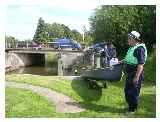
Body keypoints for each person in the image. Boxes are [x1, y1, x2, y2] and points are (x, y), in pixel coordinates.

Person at [120, 31, 147, 112]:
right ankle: (130, 106)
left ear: (135, 39)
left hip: (135, 73)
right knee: (127, 90)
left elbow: (140, 64)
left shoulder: (140, 49)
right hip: (129, 74)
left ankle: (132, 109)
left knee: (133, 92)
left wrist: (136, 77)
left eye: (129, 38)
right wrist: (121, 61)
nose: (128, 40)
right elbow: (129, 59)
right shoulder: (132, 48)